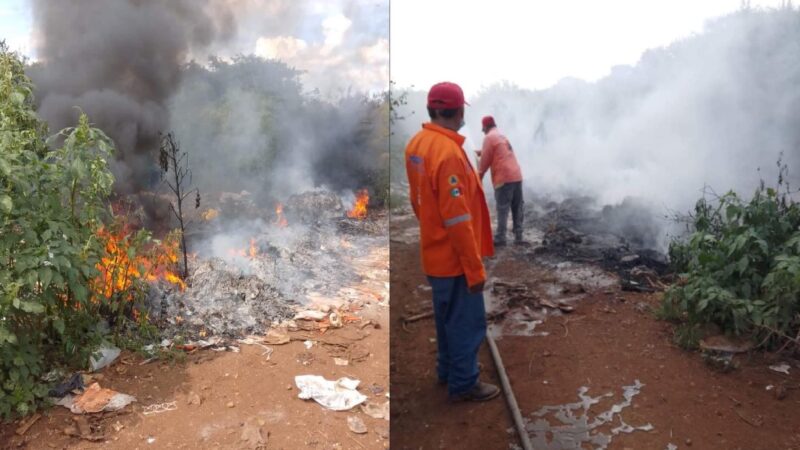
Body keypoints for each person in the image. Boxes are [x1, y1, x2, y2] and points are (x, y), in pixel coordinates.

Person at [404, 82, 500, 402]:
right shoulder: (447, 155)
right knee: (466, 324)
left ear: (433, 109)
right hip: (455, 260)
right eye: (462, 111)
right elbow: (458, 221)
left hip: (433, 253)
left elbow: (418, 199)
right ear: (457, 111)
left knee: (447, 321)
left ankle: (446, 371)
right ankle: (464, 384)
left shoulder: (417, 144)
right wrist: (474, 270)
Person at [477, 116, 525, 246]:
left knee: (502, 208)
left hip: (504, 177)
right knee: (517, 207)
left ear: (485, 127)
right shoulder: (501, 136)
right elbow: (496, 151)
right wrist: (481, 152)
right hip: (517, 175)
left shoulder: (488, 137)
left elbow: (485, 162)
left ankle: (500, 238)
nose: (483, 132)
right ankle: (519, 235)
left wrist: (478, 177)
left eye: (483, 129)